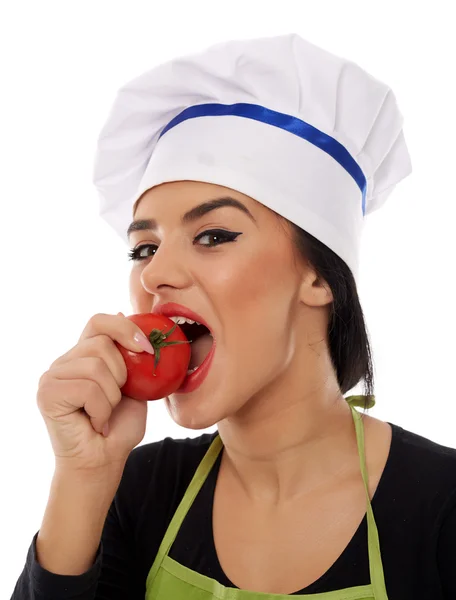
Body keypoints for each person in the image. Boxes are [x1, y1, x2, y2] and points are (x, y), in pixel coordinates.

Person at [10, 34, 456, 600]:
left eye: (213, 235)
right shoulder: (138, 490)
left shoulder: (443, 504)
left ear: (319, 276)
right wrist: (83, 476)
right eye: (144, 248)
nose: (154, 276)